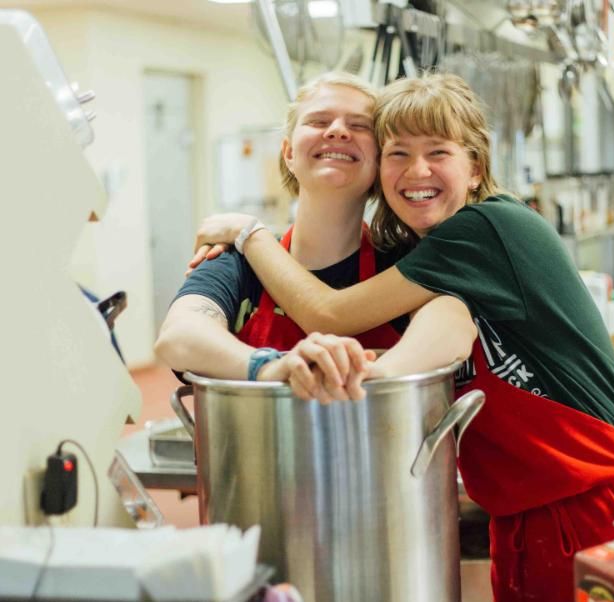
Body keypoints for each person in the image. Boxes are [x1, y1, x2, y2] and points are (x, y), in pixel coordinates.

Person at [191, 73, 614, 602]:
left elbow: (328, 312)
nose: (417, 171)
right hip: (520, 525)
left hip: (598, 514)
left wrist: (248, 234)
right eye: (398, 153)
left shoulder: (486, 229)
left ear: (475, 167)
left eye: (438, 152)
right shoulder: (426, 257)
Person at [156, 72, 468, 403]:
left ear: (379, 161)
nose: (337, 130)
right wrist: (272, 367)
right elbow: (179, 336)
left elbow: (453, 325)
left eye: (359, 125)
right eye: (319, 121)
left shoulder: (404, 261)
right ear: (289, 153)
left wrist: (363, 375)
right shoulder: (236, 262)